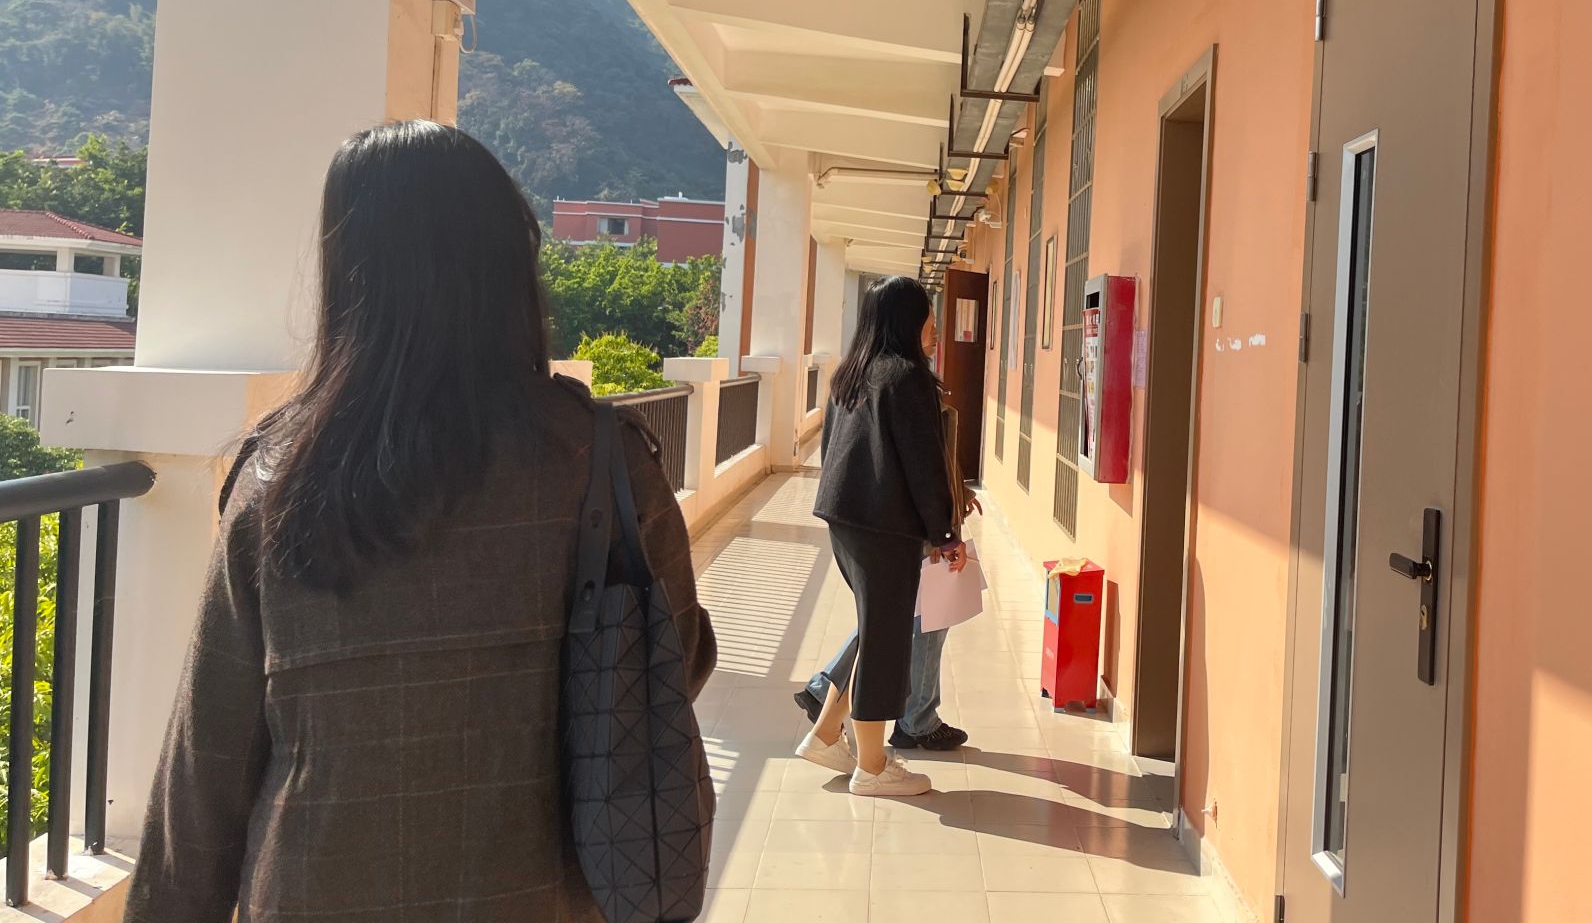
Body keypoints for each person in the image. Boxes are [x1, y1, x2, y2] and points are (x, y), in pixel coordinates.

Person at [123, 121, 717, 923]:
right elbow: (675, 662)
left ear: (348, 270)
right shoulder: (601, 461)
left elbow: (206, 762)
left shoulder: (277, 479)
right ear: (509, 267)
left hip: (310, 892)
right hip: (539, 895)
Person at [798, 275, 965, 795]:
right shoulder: (907, 377)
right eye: (928, 316)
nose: (934, 328)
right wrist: (945, 534)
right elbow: (924, 465)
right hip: (885, 528)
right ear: (907, 320)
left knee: (877, 631)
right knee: (886, 642)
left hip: (846, 521)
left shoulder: (850, 374)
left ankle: (827, 734)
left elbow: (832, 450)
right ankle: (872, 767)